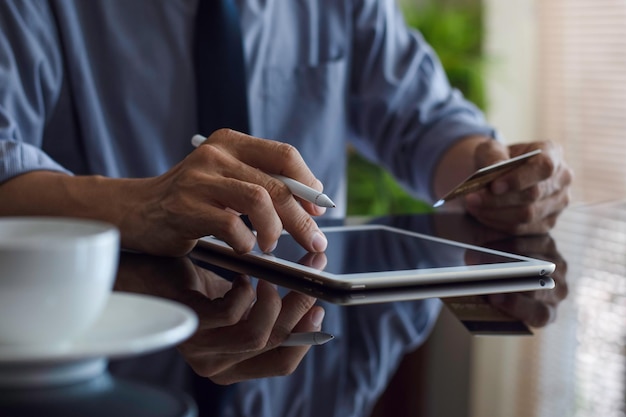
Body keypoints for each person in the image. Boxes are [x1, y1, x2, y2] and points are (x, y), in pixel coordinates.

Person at [0, 0, 572, 385]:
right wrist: (141, 204)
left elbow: (427, 124)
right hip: (97, 350)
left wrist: (492, 175)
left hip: (304, 338)